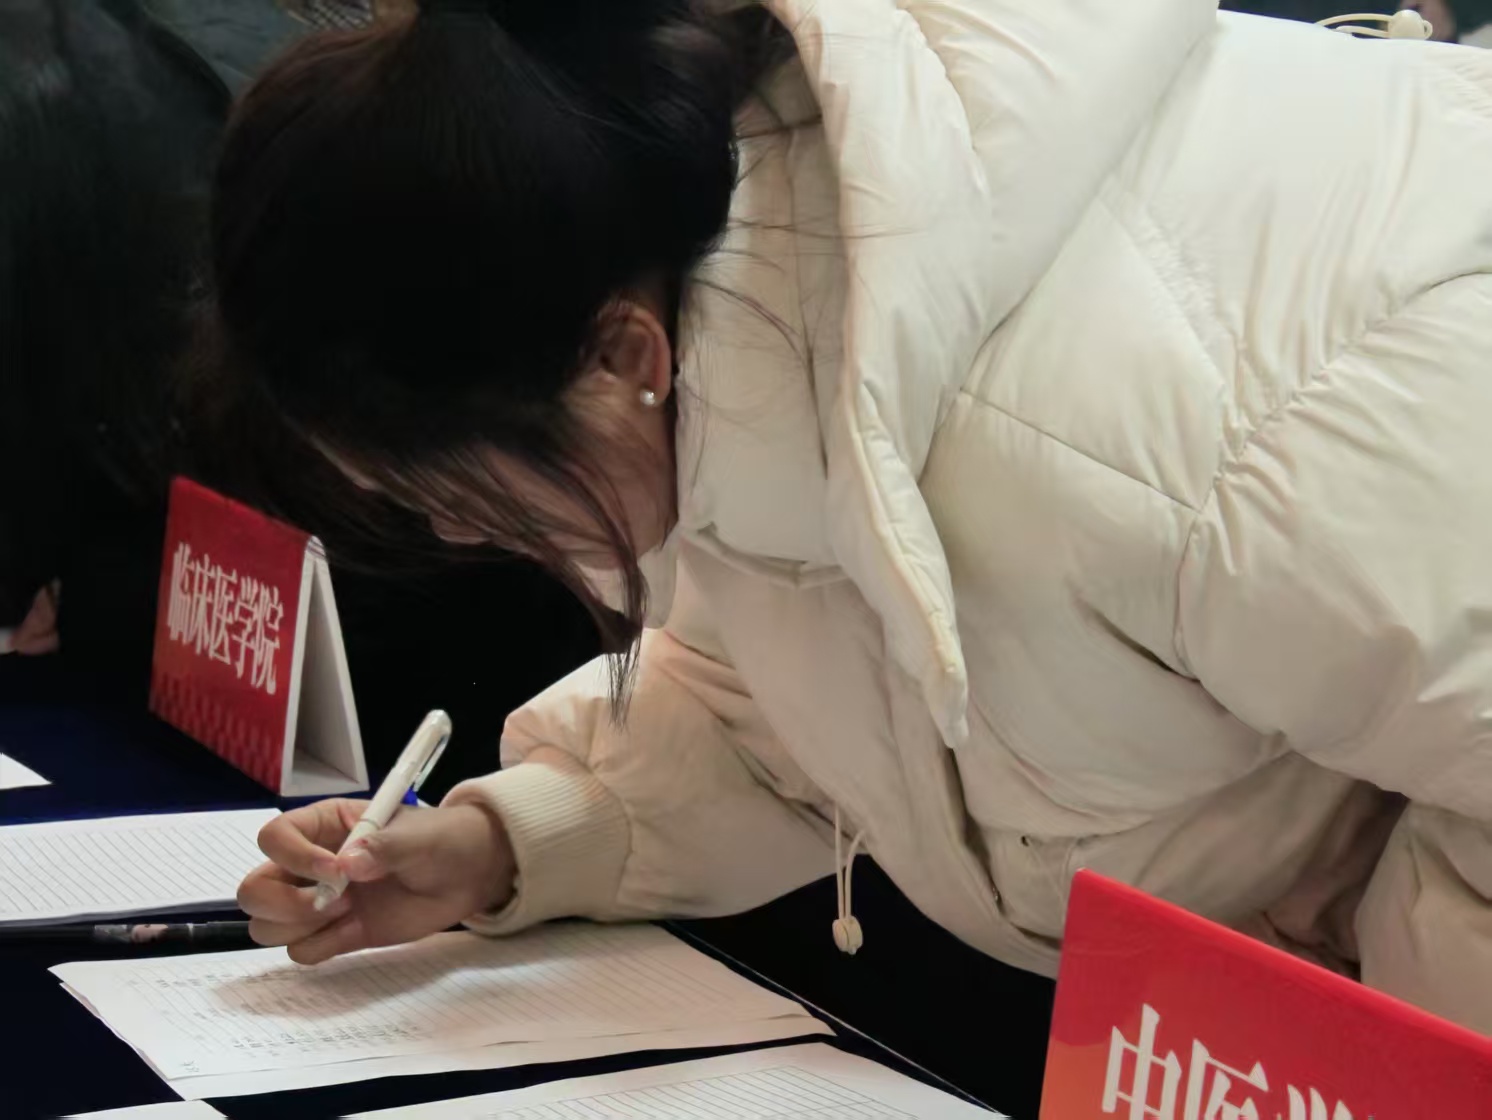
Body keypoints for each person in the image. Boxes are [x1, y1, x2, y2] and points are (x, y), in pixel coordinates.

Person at [227, 0, 1492, 1032]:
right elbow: (823, 697)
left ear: (620, 358)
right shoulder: (765, 337)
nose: (462, 537)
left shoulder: (1139, 443)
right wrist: (503, 843)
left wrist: (1357, 1055)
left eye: (463, 492)